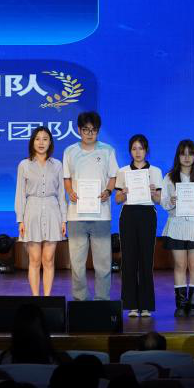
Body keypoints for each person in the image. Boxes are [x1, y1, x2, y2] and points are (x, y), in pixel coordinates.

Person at [62, 111, 119, 301]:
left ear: (98, 131)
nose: (89, 133)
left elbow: (113, 176)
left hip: (101, 215)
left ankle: (102, 300)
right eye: (86, 129)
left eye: (93, 130)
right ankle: (80, 300)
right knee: (77, 264)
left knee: (103, 263)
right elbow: (66, 178)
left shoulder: (107, 151)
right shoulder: (70, 151)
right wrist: (70, 191)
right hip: (76, 215)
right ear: (79, 130)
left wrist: (108, 191)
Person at [162, 139, 194, 317]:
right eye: (183, 154)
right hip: (176, 225)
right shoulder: (169, 177)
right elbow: (164, 203)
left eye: (190, 153)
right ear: (178, 156)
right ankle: (181, 304)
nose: (186, 157)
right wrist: (171, 201)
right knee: (180, 265)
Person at [14, 126, 67, 297]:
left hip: (53, 211)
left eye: (45, 139)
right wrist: (20, 220)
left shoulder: (57, 165)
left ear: (50, 142)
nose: (41, 142)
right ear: (32, 142)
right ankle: (36, 298)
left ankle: (47, 298)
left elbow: (61, 194)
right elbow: (20, 194)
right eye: (37, 139)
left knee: (48, 259)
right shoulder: (24, 165)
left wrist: (64, 219)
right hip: (32, 212)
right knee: (35, 259)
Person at [113, 134, 163, 317]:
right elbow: (117, 200)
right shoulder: (123, 171)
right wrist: (124, 193)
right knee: (129, 260)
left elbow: (158, 200)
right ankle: (131, 305)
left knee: (146, 260)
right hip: (128, 215)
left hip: (147, 214)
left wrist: (153, 193)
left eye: (141, 148)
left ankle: (146, 305)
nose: (137, 152)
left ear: (146, 150)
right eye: (134, 149)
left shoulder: (155, 171)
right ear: (130, 151)